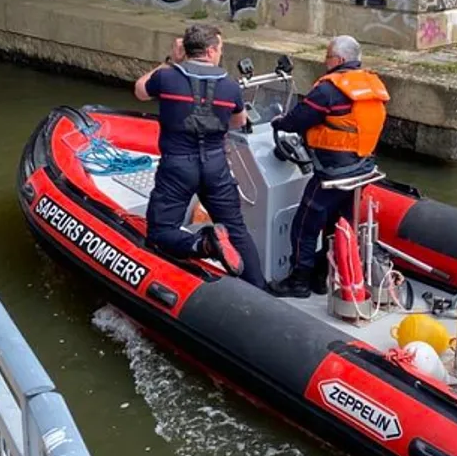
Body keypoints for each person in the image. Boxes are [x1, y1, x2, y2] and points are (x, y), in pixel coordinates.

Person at [134, 25, 266, 288]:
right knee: (236, 229)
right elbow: (239, 122)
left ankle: (205, 244)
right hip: (216, 165)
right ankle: (258, 288)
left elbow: (140, 90)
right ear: (210, 50)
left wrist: (172, 59)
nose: (220, 54)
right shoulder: (229, 86)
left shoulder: (167, 78)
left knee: (160, 232)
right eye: (220, 49)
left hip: (178, 166)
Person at [268, 35, 389, 298]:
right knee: (338, 224)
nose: (325, 62)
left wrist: (278, 123)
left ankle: (299, 281)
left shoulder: (328, 90)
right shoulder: (372, 84)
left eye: (328, 57)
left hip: (333, 174)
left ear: (340, 60)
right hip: (362, 169)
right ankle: (322, 275)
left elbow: (297, 120)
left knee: (304, 225)